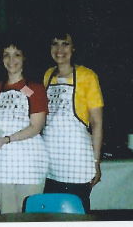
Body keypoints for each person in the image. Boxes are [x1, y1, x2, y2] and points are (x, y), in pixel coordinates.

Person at [0, 37, 49, 214]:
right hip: (0, 161)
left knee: (30, 215)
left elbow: (36, 127)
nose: (11, 60)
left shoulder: (34, 88)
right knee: (7, 214)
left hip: (30, 160)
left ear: (24, 58)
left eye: (16, 55)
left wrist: (7, 139)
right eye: (7, 55)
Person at [42, 31, 104, 213]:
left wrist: (96, 161)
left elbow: (97, 124)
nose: (59, 49)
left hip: (77, 161)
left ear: (74, 48)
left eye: (65, 44)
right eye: (55, 43)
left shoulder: (87, 76)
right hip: (51, 160)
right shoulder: (47, 75)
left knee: (76, 213)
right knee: (50, 215)